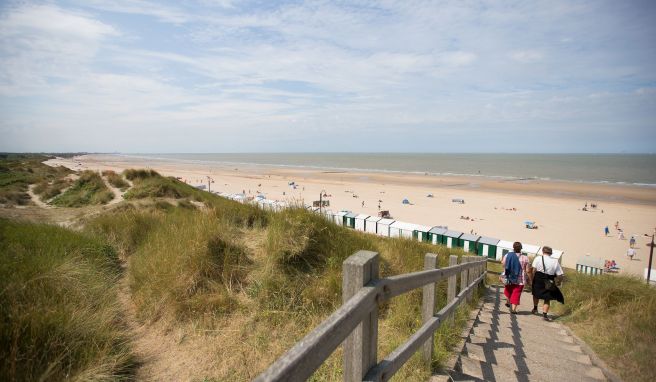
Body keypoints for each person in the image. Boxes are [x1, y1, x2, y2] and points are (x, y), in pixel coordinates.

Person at [529, 246, 564, 321]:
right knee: (547, 298)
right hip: (549, 280)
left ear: (543, 251)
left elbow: (533, 270)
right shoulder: (555, 261)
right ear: (551, 253)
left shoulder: (538, 258)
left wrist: (532, 279)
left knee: (536, 294)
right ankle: (545, 315)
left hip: (538, 278)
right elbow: (560, 275)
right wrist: (559, 282)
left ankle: (535, 308)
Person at [501, 242, 528, 314]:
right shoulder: (525, 258)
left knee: (508, 289)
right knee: (517, 293)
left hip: (509, 276)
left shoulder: (508, 255)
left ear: (513, 247)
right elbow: (527, 270)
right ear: (521, 248)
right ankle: (513, 309)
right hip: (520, 279)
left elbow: (503, 264)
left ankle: (508, 301)